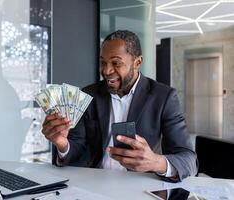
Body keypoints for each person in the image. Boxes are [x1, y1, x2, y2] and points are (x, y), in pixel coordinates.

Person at [42, 30, 198, 182]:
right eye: (103, 62)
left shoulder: (163, 97)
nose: (106, 70)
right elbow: (78, 149)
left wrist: (156, 162)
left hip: (140, 186)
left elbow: (189, 160)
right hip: (95, 183)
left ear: (137, 63)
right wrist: (62, 144)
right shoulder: (89, 94)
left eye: (116, 63)